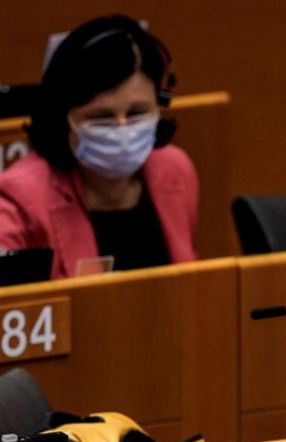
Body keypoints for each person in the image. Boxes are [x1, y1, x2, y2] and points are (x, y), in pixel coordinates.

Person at [0, 15, 198, 279]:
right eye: (101, 117)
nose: (122, 129)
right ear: (64, 118)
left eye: (137, 112)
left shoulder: (175, 170)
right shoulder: (22, 197)